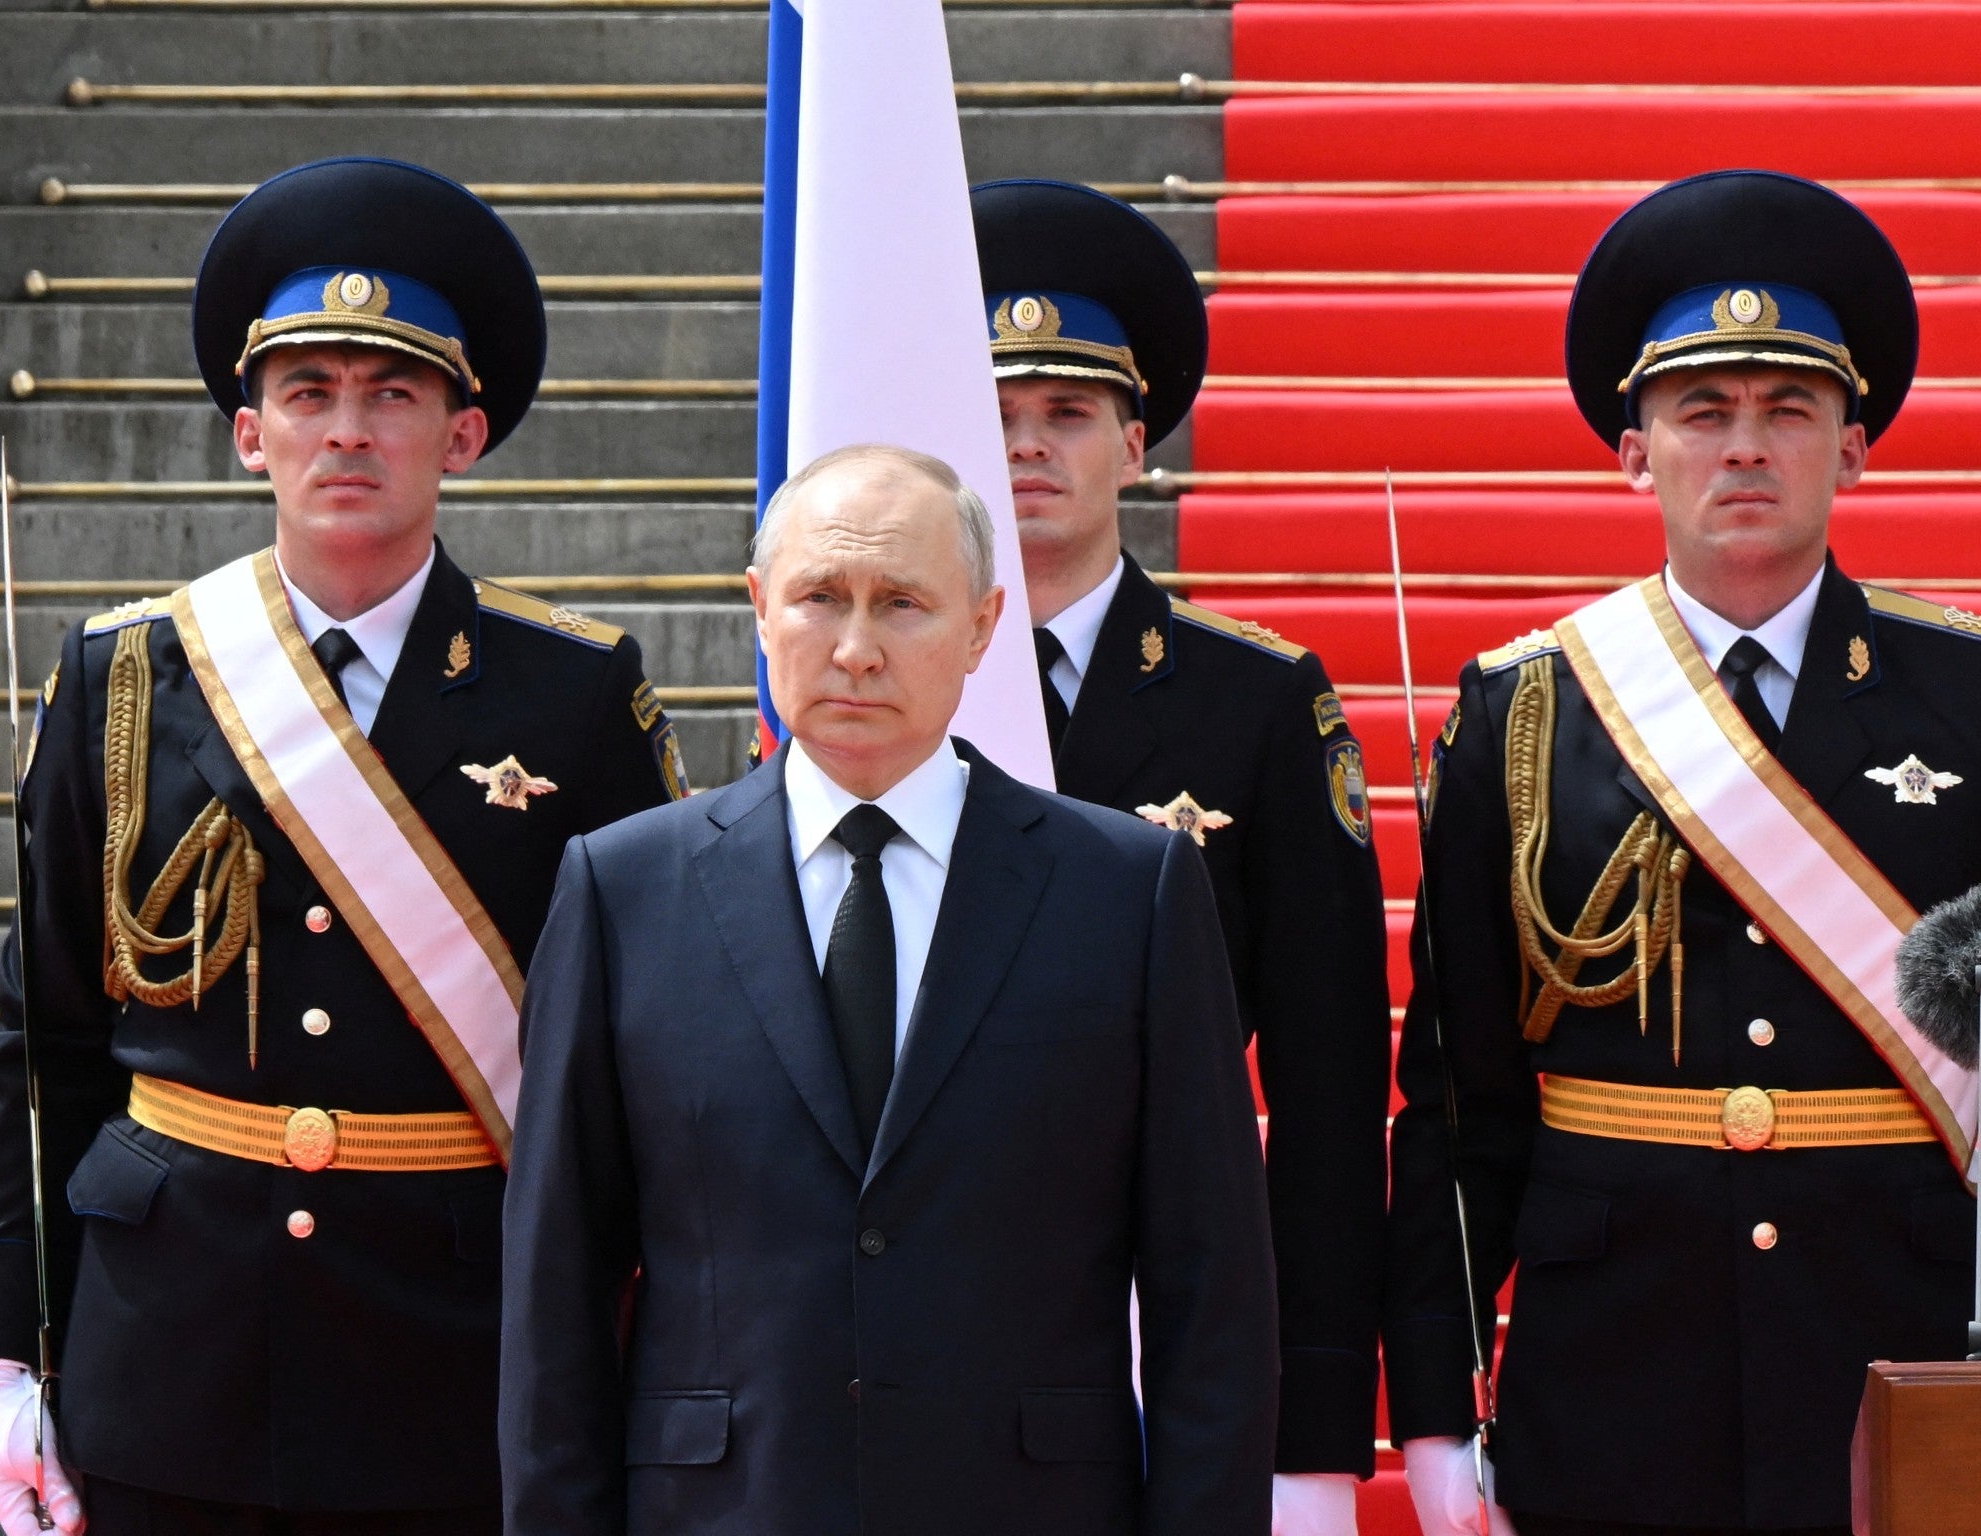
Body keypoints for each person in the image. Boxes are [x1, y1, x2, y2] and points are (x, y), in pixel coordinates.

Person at [0, 156, 684, 1536]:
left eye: (392, 395)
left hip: (454, 1359)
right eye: (308, 394)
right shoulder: (123, 679)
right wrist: (1, 1356)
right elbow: (39, 1041)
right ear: (250, 433)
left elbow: (642, 1049)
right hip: (169, 1356)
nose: (346, 431)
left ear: (461, 436)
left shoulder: (575, 695)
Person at [499, 443, 1279, 1536]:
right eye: (820, 598)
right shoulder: (624, 890)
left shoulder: (1126, 891)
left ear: (980, 626)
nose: (856, 649)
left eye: (902, 604)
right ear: (759, 610)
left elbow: (1214, 1295)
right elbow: (557, 1290)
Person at [1384, 169, 1980, 1536]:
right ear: (1632, 450)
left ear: (1857, 447)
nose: (1747, 448)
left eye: (1791, 412)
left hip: (1901, 1336)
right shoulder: (1522, 711)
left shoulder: (1967, 698)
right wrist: (1433, 1407)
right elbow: (1462, 1108)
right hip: (1611, 1371)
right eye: (1702, 414)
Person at [972, 177, 1394, 1535]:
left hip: (1177, 1319)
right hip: (921, 1323)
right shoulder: (859, 686)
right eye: (995, 415)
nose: (1027, 449)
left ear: (1136, 442)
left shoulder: (1254, 702)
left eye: (1068, 414)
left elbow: (1330, 1092)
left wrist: (1318, 1428)